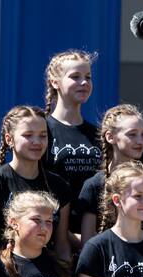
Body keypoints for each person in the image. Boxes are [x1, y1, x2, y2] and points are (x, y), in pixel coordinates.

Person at [0, 106, 72, 262]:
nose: (37, 142)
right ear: (9, 139)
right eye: (28, 135)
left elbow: (62, 243)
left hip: (47, 276)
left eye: (43, 136)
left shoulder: (58, 185)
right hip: (6, 274)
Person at [43, 50, 101, 237]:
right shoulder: (42, 131)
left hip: (93, 235)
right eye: (75, 77)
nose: (84, 82)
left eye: (88, 77)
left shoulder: (98, 134)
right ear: (55, 82)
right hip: (52, 236)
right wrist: (65, 237)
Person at [77, 104, 143, 244]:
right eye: (132, 134)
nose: (140, 141)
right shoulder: (94, 185)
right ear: (110, 137)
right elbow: (87, 241)